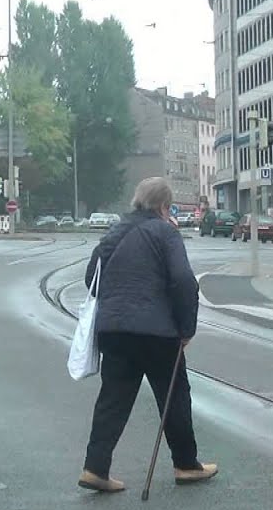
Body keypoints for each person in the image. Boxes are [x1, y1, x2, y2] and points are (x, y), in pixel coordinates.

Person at [78, 176, 217, 493]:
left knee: (112, 400)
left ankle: (95, 468)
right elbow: (183, 281)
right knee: (174, 396)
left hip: (115, 331)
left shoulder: (114, 233)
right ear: (165, 206)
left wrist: (115, 305)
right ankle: (186, 464)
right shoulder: (165, 232)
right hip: (158, 333)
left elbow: (91, 279)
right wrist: (186, 328)